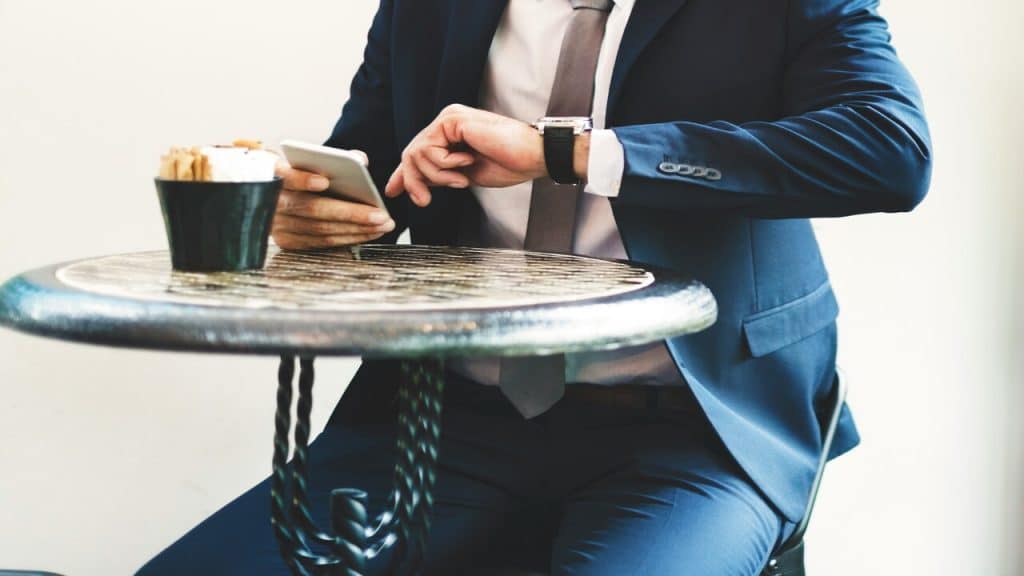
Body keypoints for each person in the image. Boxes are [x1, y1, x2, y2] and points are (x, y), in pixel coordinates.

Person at [139, 0, 930, 574]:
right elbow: (371, 179)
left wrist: (567, 153)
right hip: (442, 419)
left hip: (695, 431)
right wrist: (322, 216)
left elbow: (890, 150)